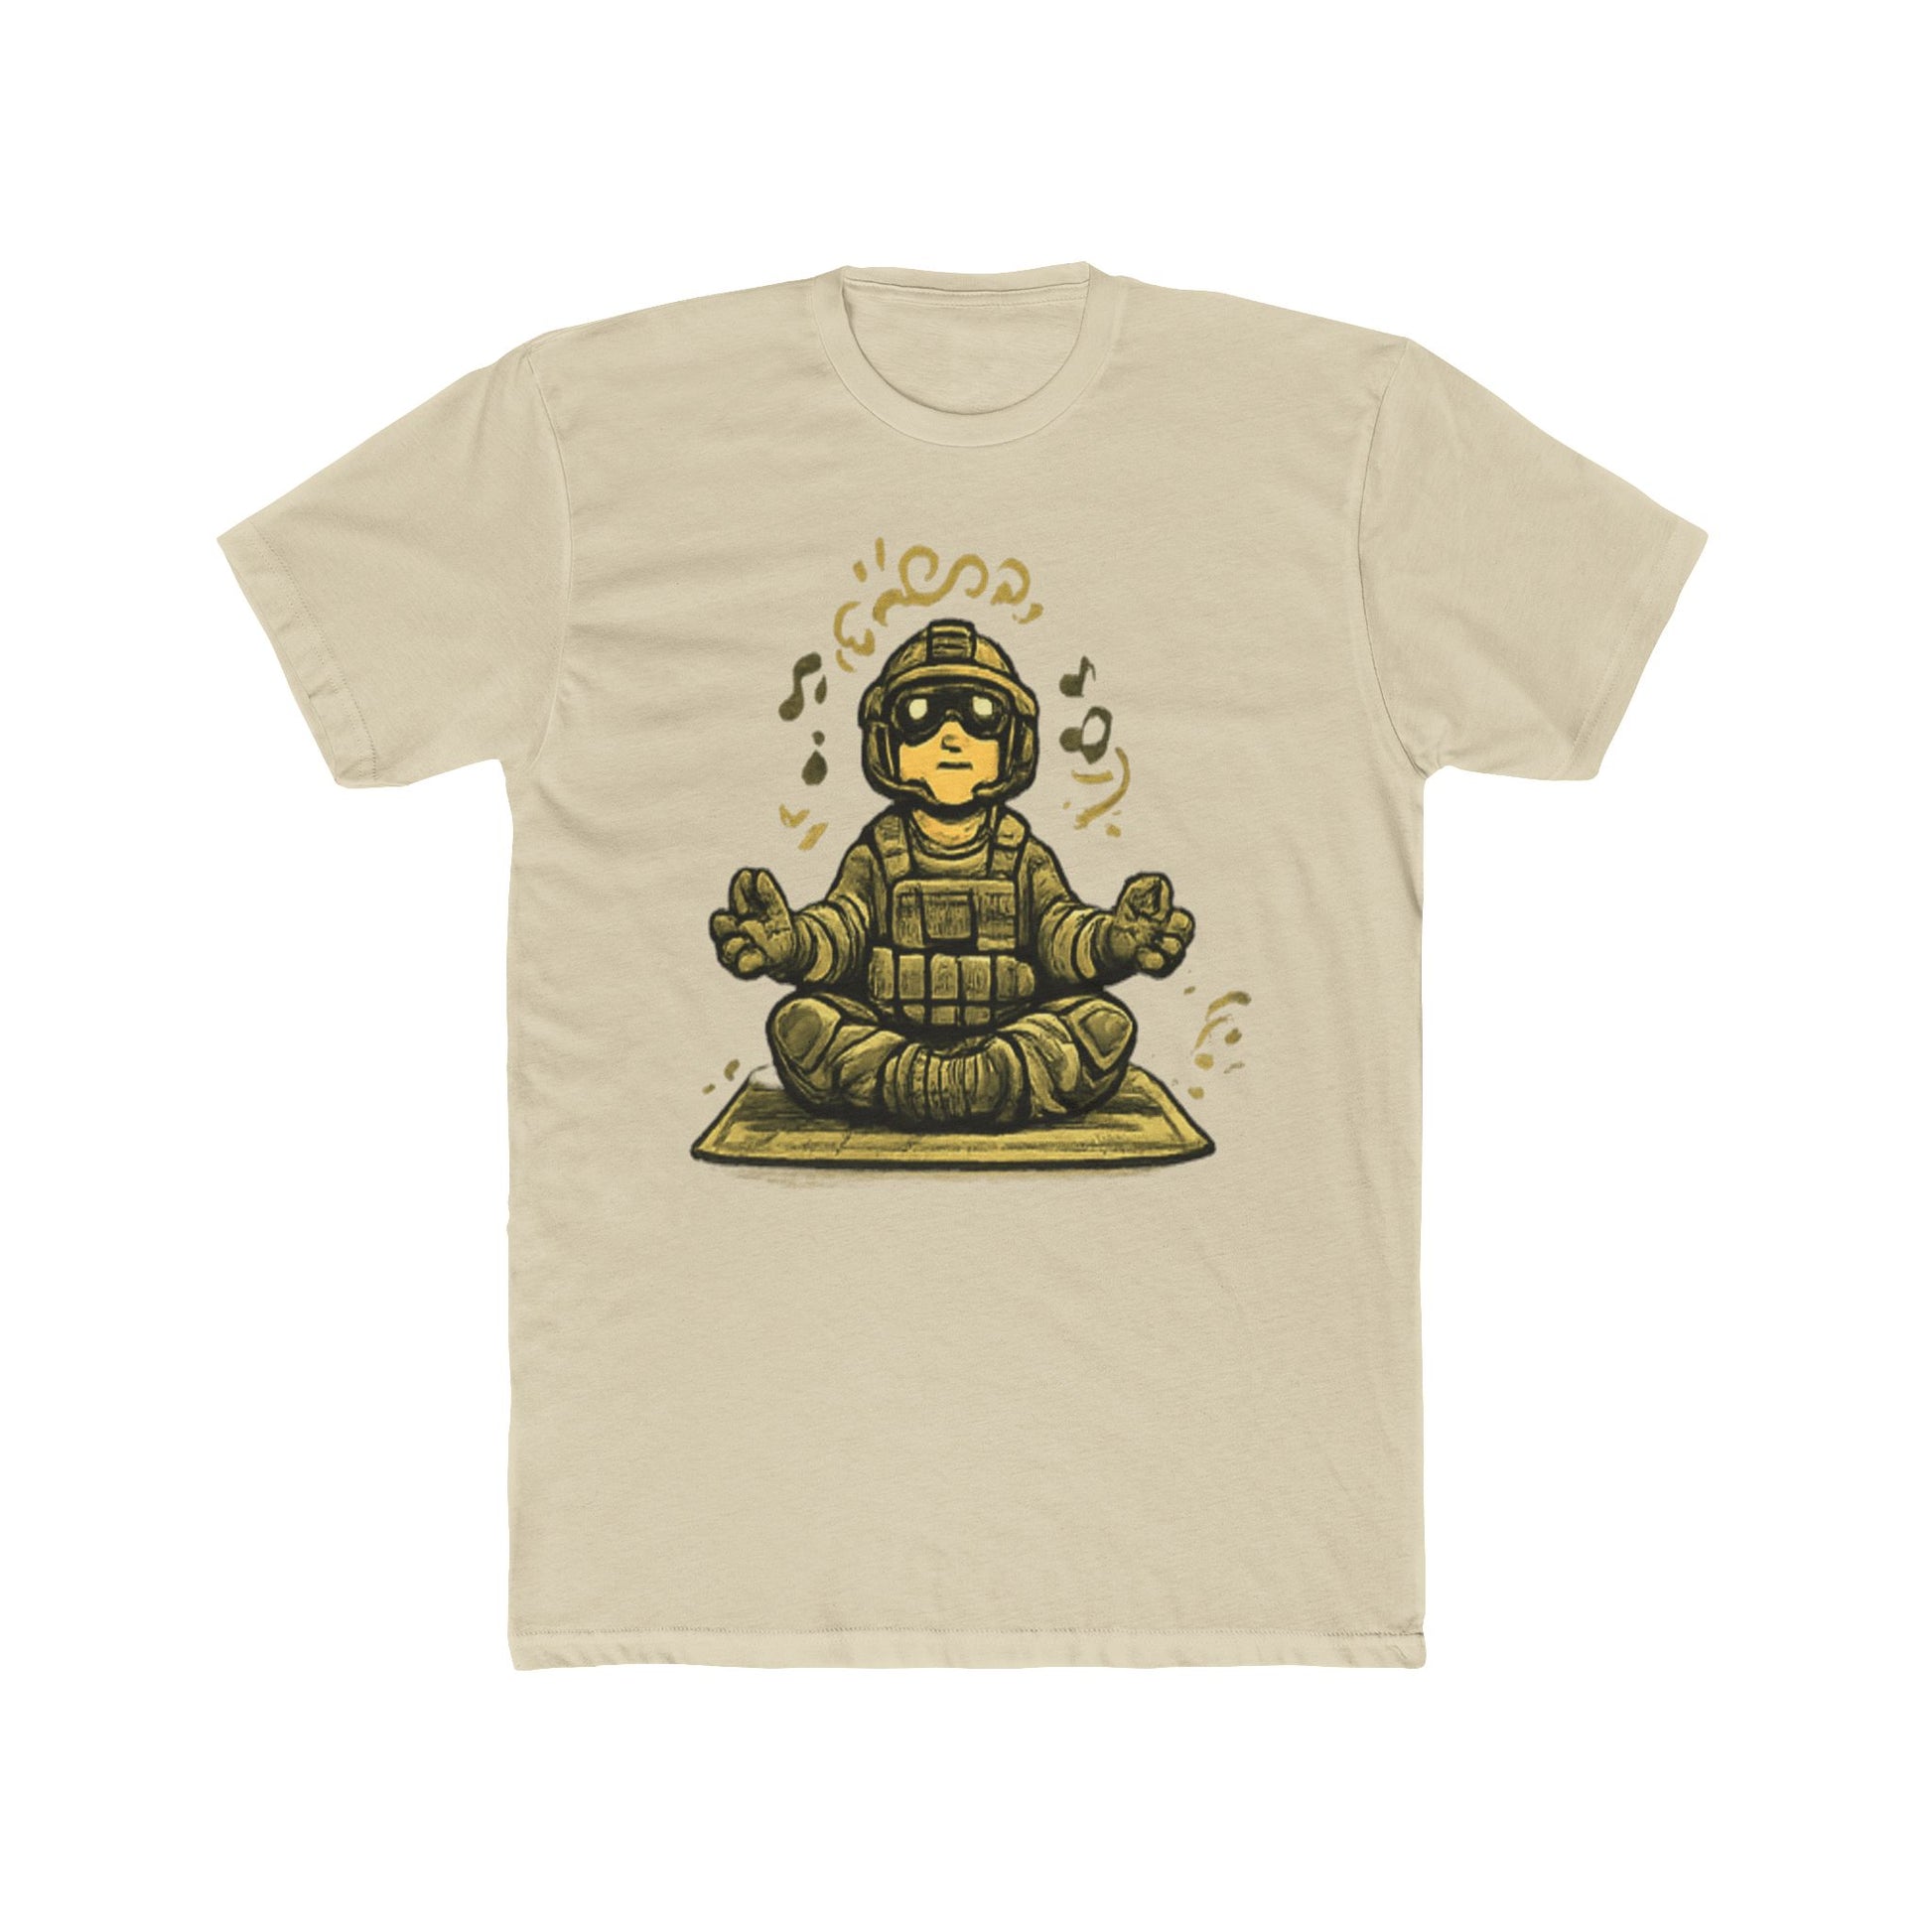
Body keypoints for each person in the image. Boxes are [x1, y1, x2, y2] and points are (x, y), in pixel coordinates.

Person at [710, 618, 1194, 1127]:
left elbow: (1060, 929)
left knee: (1103, 1025)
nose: (951, 737)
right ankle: (936, 1081)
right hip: (892, 1033)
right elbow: (843, 927)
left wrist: (1113, 942)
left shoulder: (1022, 855)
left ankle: (978, 1077)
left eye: (981, 715)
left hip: (1008, 1030)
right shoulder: (878, 853)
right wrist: (793, 946)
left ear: (1014, 741)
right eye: (919, 715)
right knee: (800, 1024)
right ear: (885, 741)